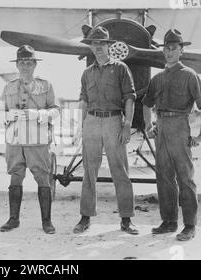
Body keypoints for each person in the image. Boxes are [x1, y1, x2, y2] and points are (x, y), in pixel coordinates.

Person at [142, 29, 201, 241]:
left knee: (185, 177)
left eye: (174, 48)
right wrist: (148, 125)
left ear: (181, 50)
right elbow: (146, 103)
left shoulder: (190, 75)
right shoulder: (158, 78)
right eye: (166, 49)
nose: (170, 52)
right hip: (161, 126)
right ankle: (169, 221)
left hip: (180, 127)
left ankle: (190, 225)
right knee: (163, 176)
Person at [73, 27, 139, 235]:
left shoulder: (121, 68)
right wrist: (80, 127)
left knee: (120, 170)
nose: (98, 47)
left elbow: (129, 97)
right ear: (90, 47)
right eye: (94, 44)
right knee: (89, 171)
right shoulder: (87, 73)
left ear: (109, 46)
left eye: (101, 43)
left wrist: (127, 125)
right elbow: (83, 100)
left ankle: (126, 219)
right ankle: (85, 218)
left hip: (113, 121)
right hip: (91, 121)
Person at [0, 45, 60, 234]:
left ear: (35, 64)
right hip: (15, 140)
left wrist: (39, 114)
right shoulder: (8, 87)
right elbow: (0, 110)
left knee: (43, 178)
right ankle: (13, 219)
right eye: (22, 62)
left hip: (37, 139)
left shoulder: (46, 85)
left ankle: (46, 221)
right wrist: (7, 116)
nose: (25, 66)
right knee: (15, 176)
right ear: (17, 65)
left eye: (29, 62)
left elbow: (56, 110)